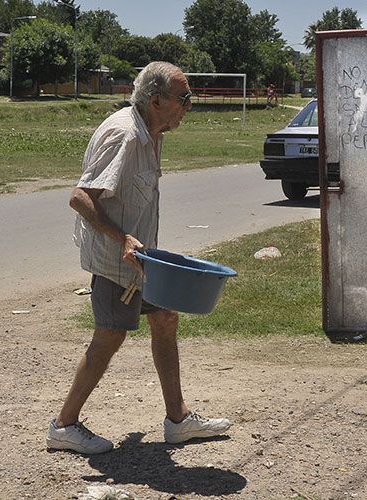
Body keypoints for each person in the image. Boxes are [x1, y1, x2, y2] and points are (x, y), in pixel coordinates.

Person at [46, 62, 231, 455]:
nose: (188, 107)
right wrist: (123, 238)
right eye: (184, 99)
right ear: (157, 100)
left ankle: (178, 420)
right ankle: (63, 425)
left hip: (143, 261)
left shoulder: (152, 132)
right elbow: (80, 198)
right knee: (108, 338)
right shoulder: (125, 136)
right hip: (118, 261)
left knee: (165, 319)